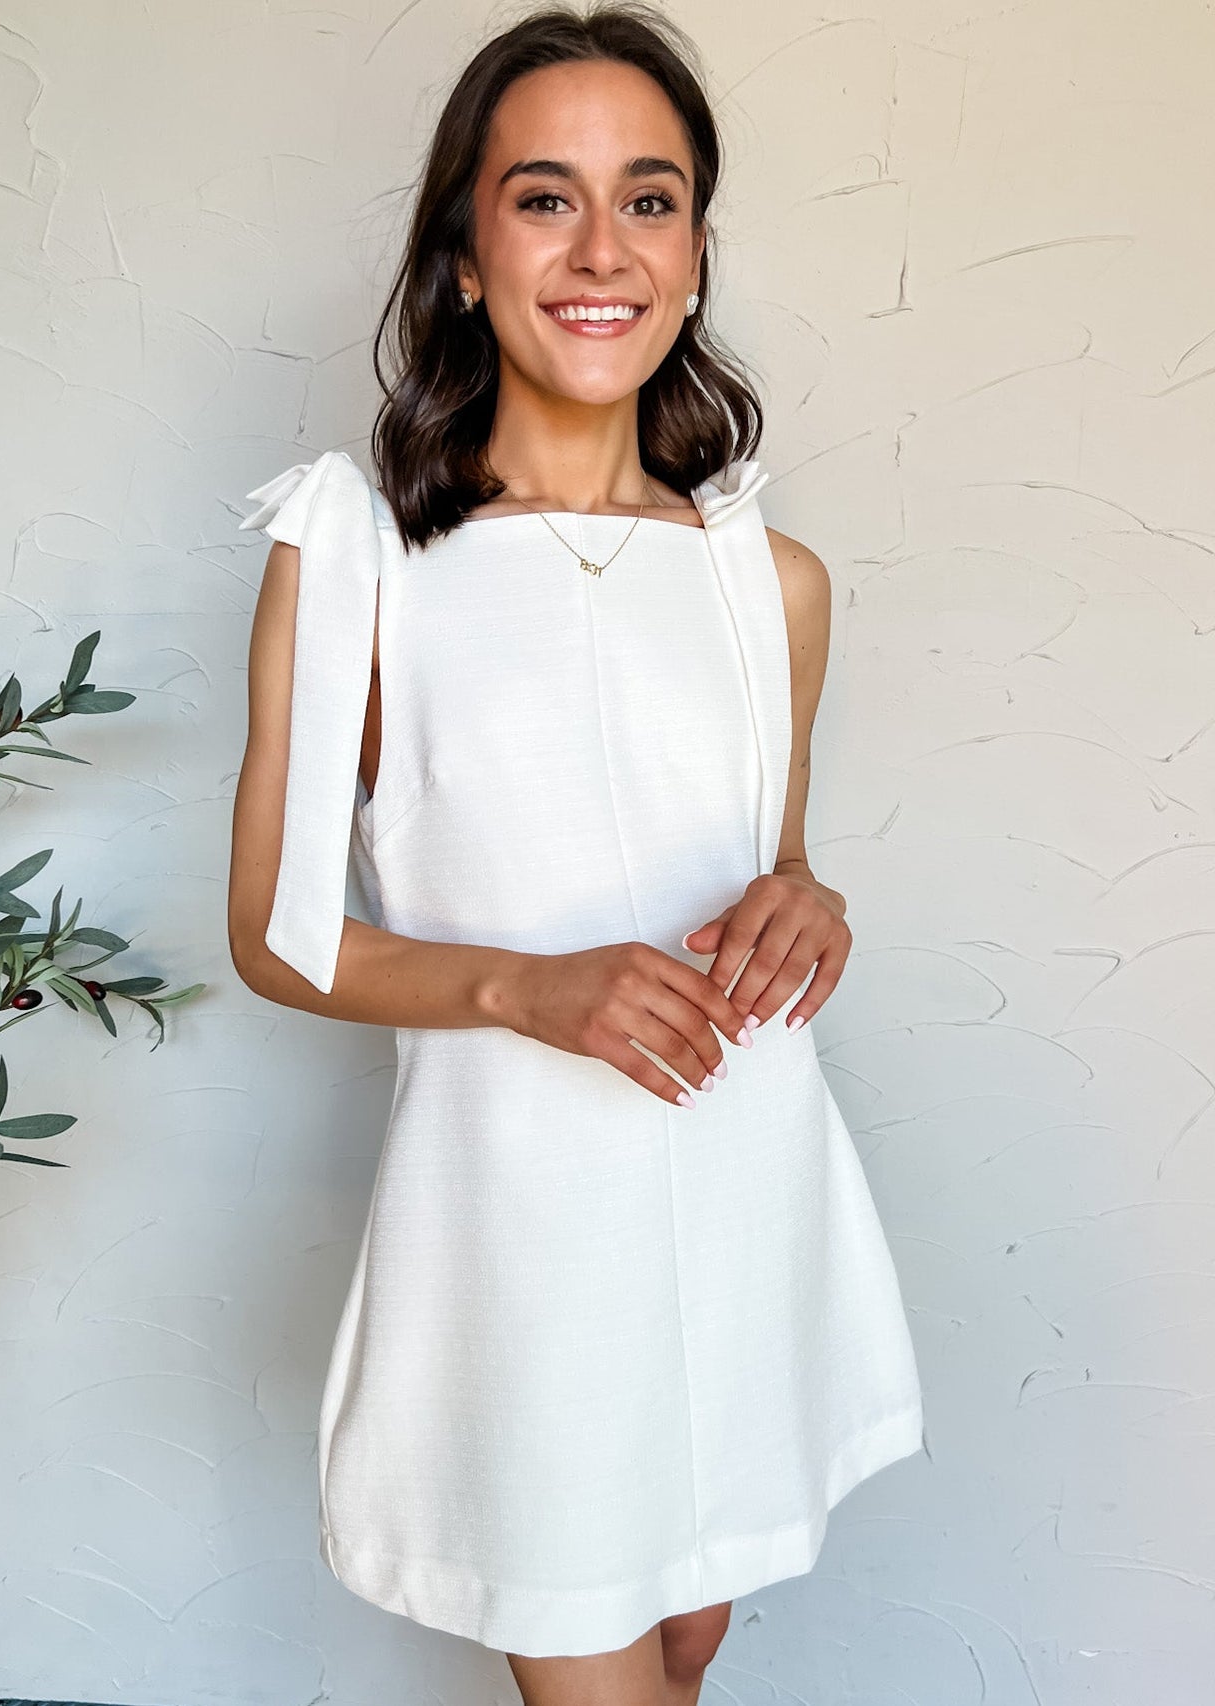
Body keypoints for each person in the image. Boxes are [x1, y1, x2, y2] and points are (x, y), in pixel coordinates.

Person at [228, 5, 924, 1702]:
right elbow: (275, 932)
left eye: (649, 199)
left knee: (687, 1640)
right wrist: (525, 987)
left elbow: (776, 861)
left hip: (746, 1194)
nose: (601, 249)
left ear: (695, 252)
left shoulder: (773, 580)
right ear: (467, 256)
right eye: (545, 198)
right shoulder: (357, 562)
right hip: (527, 1232)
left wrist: (810, 903)